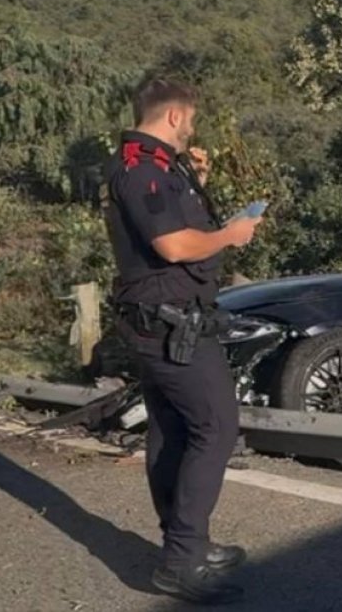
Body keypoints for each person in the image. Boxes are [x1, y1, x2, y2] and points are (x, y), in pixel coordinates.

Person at [102, 76, 261, 605]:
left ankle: (186, 543)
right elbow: (172, 245)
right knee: (216, 427)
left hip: (160, 319)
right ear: (174, 116)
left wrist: (194, 178)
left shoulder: (151, 166)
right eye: (190, 118)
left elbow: (170, 217)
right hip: (170, 324)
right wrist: (230, 235)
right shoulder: (143, 170)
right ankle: (180, 559)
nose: (192, 126)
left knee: (171, 431)